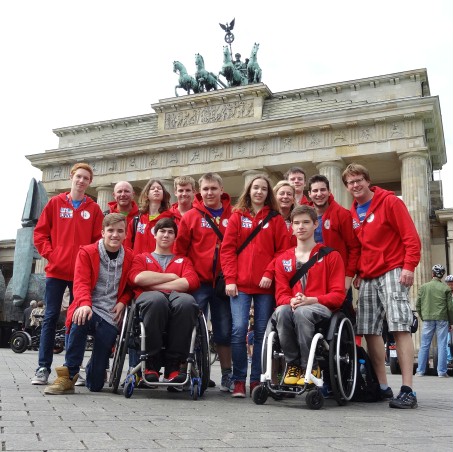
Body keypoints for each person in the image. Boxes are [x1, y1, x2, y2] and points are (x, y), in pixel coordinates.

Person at [342, 163, 421, 409]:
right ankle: (383, 386)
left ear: (367, 181)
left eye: (359, 180)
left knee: (399, 326)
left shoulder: (390, 202)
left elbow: (411, 237)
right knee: (368, 330)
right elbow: (358, 247)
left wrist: (409, 266)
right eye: (350, 183)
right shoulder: (353, 213)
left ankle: (407, 389)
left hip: (392, 270)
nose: (355, 186)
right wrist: (355, 272)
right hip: (367, 275)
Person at [43, 213, 134, 394]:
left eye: (120, 231)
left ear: (125, 235)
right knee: (80, 317)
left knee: (96, 385)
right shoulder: (87, 252)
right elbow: (81, 282)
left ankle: (95, 369)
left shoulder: (131, 257)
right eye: (110, 231)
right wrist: (84, 303)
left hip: (110, 314)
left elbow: (132, 286)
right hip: (89, 306)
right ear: (102, 232)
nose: (115, 235)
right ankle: (69, 374)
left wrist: (123, 302)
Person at [32, 162, 103, 385]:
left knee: (78, 320)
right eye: (78, 177)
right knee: (50, 318)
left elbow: (97, 242)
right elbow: (40, 233)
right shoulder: (55, 203)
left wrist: (88, 264)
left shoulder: (93, 209)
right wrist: (52, 255)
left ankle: (73, 369)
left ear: (90, 183)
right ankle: (43, 368)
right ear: (71, 177)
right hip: (56, 271)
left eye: (86, 178)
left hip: (80, 275)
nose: (81, 181)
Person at [221, 174, 289, 398]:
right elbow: (228, 249)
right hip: (239, 285)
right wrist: (230, 279)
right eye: (255, 188)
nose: (259, 191)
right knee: (239, 330)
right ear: (249, 191)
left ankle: (257, 380)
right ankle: (238, 380)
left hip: (265, 286)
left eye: (263, 188)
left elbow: (282, 251)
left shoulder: (275, 218)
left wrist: (270, 272)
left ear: (268, 193)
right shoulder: (237, 216)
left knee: (262, 333)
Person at [174, 172, 234, 392]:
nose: (209, 193)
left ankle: (227, 374)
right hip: (198, 282)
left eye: (213, 188)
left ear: (221, 189)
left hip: (223, 283)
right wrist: (186, 277)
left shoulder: (234, 215)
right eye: (205, 189)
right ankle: (185, 370)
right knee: (189, 327)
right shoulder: (191, 216)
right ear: (201, 191)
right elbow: (180, 251)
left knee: (224, 329)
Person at [273, 205, 346, 385]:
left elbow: (338, 296)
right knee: (281, 311)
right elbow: (280, 295)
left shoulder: (331, 256)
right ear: (291, 226)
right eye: (296, 223)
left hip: (321, 308)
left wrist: (311, 300)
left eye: (306, 222)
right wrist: (292, 300)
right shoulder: (283, 259)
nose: (301, 227)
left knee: (302, 312)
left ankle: (311, 365)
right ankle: (293, 365)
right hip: (293, 306)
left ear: (315, 224)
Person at [128, 217, 199, 383]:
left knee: (187, 303)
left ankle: (173, 366)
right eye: (162, 231)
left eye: (170, 232)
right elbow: (137, 278)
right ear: (154, 234)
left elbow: (191, 282)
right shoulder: (141, 258)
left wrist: (153, 284)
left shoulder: (183, 260)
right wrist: (171, 277)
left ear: (175, 237)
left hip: (176, 298)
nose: (166, 235)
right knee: (157, 301)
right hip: (151, 301)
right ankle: (150, 363)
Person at [307, 174, 360, 326]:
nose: (319, 194)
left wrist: (348, 277)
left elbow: (354, 248)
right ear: (309, 194)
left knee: (341, 320)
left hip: (338, 278)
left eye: (323, 190)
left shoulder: (342, 214)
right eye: (315, 191)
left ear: (329, 191)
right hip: (312, 277)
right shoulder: (305, 215)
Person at [415, 265, 453, 377]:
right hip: (442, 319)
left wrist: (423, 316)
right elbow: (450, 307)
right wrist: (451, 321)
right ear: (442, 275)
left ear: (432, 274)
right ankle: (441, 372)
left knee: (424, 345)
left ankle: (420, 371)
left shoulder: (423, 287)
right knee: (442, 344)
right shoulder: (446, 288)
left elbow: (418, 305)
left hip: (428, 319)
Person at [124, 178, 175, 254]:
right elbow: (127, 246)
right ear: (147, 194)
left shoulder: (171, 219)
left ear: (164, 194)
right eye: (152, 188)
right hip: (139, 263)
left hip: (160, 264)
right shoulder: (136, 220)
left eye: (159, 188)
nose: (156, 190)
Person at [273, 180, 296, 245]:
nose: (285, 196)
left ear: (293, 200)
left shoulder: (298, 219)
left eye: (289, 194)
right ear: (275, 198)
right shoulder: (267, 219)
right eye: (282, 193)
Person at [445, 274, 453, 365]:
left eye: (452, 284)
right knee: (447, 340)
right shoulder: (445, 294)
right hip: (447, 320)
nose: (450, 285)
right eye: (449, 284)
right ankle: (448, 358)